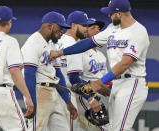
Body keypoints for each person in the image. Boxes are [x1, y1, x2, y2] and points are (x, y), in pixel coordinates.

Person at [48, 0, 150, 130]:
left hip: (132, 83)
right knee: (112, 128)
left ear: (119, 14)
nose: (109, 16)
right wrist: (61, 52)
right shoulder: (113, 29)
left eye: (111, 13)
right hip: (118, 84)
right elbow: (88, 43)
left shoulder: (138, 31)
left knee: (120, 129)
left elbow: (125, 63)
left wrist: (99, 82)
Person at [21, 11, 78, 131]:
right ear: (50, 26)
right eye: (60, 28)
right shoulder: (33, 42)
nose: (62, 32)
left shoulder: (51, 44)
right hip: (39, 92)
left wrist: (68, 102)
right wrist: (31, 100)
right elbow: (29, 74)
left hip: (54, 93)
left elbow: (58, 74)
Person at [55, 10, 91, 131]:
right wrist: (91, 96)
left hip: (49, 93)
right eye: (84, 25)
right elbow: (74, 78)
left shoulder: (56, 40)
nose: (87, 29)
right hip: (66, 97)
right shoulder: (74, 45)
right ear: (74, 25)